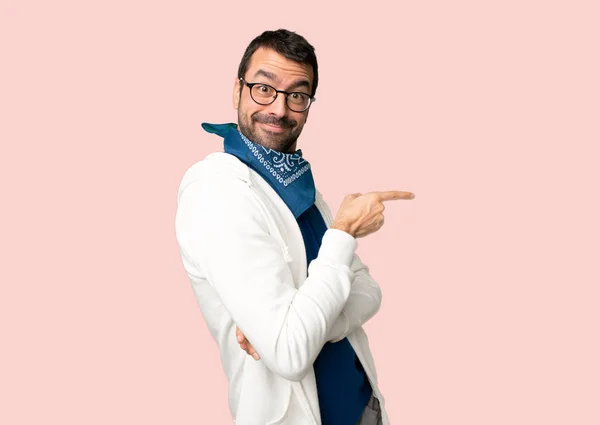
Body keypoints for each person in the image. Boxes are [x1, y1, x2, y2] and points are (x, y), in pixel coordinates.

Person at [175, 29, 414, 425]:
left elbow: (369, 291)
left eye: (297, 95)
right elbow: (289, 353)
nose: (280, 109)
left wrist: (305, 326)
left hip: (363, 410)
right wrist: (342, 233)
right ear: (237, 90)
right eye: (264, 88)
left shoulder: (297, 184)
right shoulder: (216, 192)